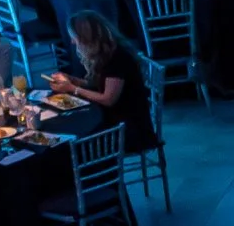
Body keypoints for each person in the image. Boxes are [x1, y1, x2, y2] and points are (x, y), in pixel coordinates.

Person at [45, 14, 155, 155]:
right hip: (115, 118)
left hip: (128, 129)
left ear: (86, 37)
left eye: (75, 37)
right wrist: (74, 81)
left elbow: (108, 99)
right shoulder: (105, 52)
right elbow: (100, 85)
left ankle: (90, 174)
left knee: (70, 143)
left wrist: (73, 89)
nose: (73, 42)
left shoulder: (116, 58)